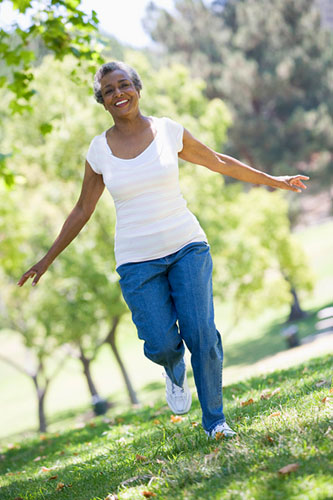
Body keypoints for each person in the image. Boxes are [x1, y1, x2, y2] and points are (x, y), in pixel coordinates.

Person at [18, 61, 309, 438]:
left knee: (202, 334)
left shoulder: (168, 131)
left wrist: (275, 181)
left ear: (138, 88)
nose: (118, 93)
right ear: (102, 101)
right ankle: (173, 367)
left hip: (187, 245)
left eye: (124, 85)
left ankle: (215, 422)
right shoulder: (99, 150)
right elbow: (82, 209)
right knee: (159, 341)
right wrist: (47, 258)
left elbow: (218, 161)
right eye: (109, 90)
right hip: (137, 261)